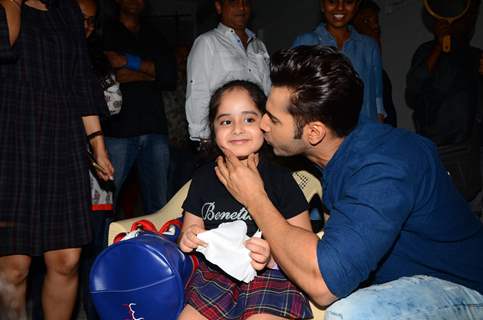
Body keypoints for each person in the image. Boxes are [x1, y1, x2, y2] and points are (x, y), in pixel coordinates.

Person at [215, 46, 483, 319]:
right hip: (402, 278)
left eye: (273, 119)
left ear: (314, 132)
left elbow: (323, 284)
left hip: (463, 290)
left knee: (349, 313)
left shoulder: (384, 168)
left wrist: (254, 197)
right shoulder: (340, 139)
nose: (261, 125)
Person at [0, 0, 114, 319]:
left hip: (62, 140)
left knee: (67, 260)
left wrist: (97, 143)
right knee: (14, 266)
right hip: (10, 140)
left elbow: (81, 79)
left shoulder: (66, 11)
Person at [177, 80, 313, 320]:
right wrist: (189, 238)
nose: (237, 129)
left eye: (249, 119)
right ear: (213, 128)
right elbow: (189, 232)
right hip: (215, 276)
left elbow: (306, 245)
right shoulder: (203, 178)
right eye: (226, 121)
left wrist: (271, 257)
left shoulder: (280, 178)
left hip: (274, 275)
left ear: (266, 124)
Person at [102, 0, 177, 214]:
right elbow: (104, 75)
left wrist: (126, 60)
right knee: (107, 203)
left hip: (154, 126)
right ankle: (106, 248)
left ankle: (156, 247)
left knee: (159, 205)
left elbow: (169, 76)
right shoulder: (104, 32)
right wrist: (150, 71)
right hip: (117, 129)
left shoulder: (155, 33)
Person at [185, 0, 271, 151]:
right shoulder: (207, 42)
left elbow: (267, 90)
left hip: (255, 132)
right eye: (233, 2)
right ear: (219, 7)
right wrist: (203, 138)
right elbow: (198, 91)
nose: (241, 7)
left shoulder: (258, 45)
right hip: (225, 133)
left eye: (245, 2)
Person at [293, 0, 385, 123]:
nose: (340, 7)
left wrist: (377, 133)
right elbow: (293, 92)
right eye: (332, 1)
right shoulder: (305, 42)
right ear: (322, 5)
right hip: (320, 131)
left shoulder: (369, 46)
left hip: (364, 131)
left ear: (356, 6)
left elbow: (377, 98)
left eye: (348, 2)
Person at [406, 0, 481, 146]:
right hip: (441, 146)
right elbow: (413, 89)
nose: (469, 20)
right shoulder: (427, 52)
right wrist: (439, 46)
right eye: (466, 14)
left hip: (475, 145)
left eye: (473, 14)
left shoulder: (476, 56)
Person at [352, 0, 397, 127]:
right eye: (366, 22)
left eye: (376, 23)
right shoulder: (346, 77)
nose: (375, 28)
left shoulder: (381, 77)